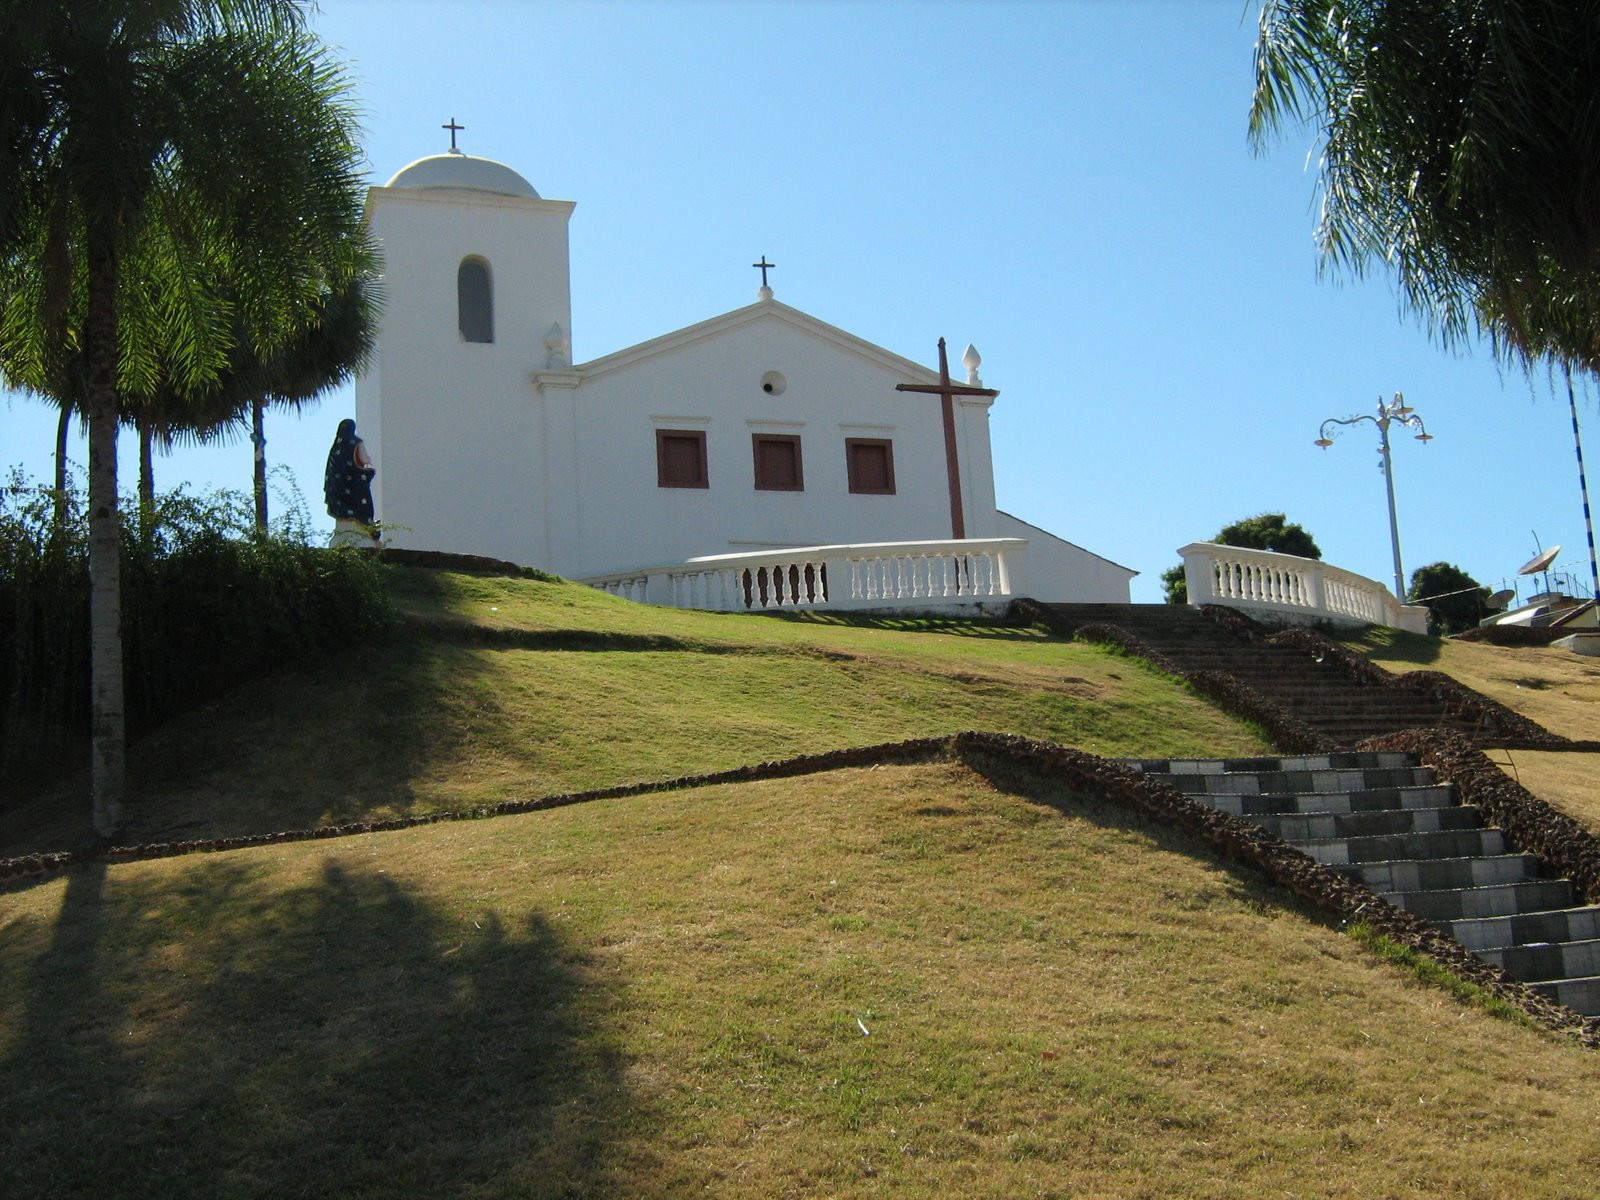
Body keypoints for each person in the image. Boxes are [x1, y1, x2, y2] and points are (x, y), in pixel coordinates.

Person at [324, 418, 377, 536]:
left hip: (338, 488)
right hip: (356, 486)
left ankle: (346, 519)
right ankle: (364, 525)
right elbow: (364, 459)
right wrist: (369, 463)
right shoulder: (356, 442)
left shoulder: (335, 447)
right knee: (363, 506)